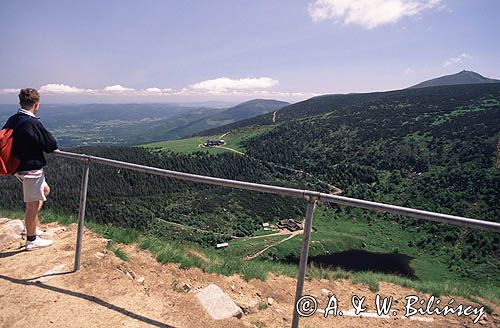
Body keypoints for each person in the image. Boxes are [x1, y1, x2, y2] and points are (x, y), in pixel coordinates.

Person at [2, 88, 58, 250]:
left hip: (18, 168)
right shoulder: (32, 122)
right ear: (37, 105)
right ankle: (31, 240)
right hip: (31, 169)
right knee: (32, 205)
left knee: (45, 190)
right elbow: (50, 144)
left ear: (20, 103)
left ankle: (30, 226)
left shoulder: (14, 119)